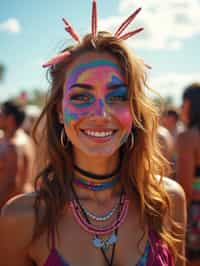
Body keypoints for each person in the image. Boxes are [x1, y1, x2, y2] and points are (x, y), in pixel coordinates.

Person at [0, 2, 186, 266]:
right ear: (60, 112)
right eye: (81, 96)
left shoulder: (167, 202)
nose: (100, 113)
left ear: (134, 110)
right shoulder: (21, 218)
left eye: (118, 96)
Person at [176, 83, 200, 265]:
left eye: (182, 103)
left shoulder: (188, 138)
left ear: (190, 105)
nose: (179, 109)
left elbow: (184, 189)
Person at [0, 100, 36, 193]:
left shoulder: (15, 145)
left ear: (10, 118)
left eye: (1, 114)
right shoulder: (24, 138)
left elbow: (11, 183)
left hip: (10, 203)